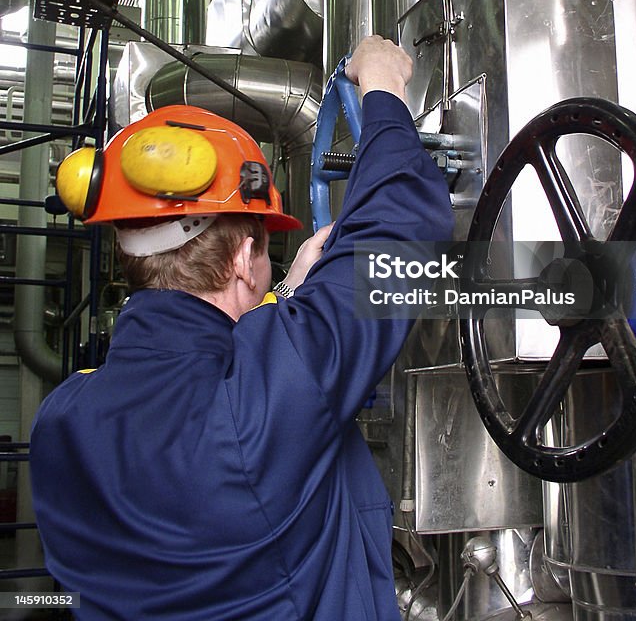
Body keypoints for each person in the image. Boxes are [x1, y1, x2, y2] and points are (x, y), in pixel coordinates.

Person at [29, 36, 454, 621]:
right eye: (265, 251)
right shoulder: (263, 401)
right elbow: (398, 230)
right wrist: (383, 86)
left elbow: (217, 394)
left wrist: (289, 299)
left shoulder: (60, 421)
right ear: (238, 259)